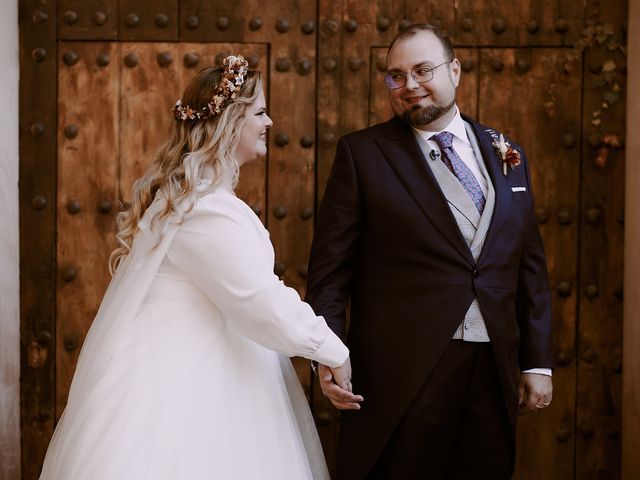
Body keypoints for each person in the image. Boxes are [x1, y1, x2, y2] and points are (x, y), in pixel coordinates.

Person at [40, 55, 352, 480]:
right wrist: (330, 348)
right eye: (260, 112)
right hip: (183, 383)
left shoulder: (201, 199)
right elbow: (258, 300)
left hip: (218, 365)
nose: (270, 123)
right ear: (229, 122)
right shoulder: (205, 209)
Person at [306, 24, 554, 479]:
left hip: (493, 365)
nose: (410, 86)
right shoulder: (362, 154)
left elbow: (528, 266)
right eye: (395, 76)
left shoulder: (507, 152)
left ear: (454, 71)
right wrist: (327, 353)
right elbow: (329, 272)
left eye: (423, 70)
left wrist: (537, 360)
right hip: (401, 373)